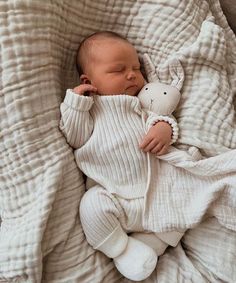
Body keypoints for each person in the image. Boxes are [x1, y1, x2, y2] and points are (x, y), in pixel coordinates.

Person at [60, 31, 184, 281]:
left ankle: (152, 244)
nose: (131, 74)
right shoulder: (90, 110)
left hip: (156, 193)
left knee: (185, 196)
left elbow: (162, 118)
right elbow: (74, 137)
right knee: (91, 206)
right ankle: (123, 250)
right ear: (88, 80)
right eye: (118, 70)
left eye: (136, 68)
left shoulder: (141, 103)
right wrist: (76, 103)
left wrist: (164, 128)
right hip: (114, 198)